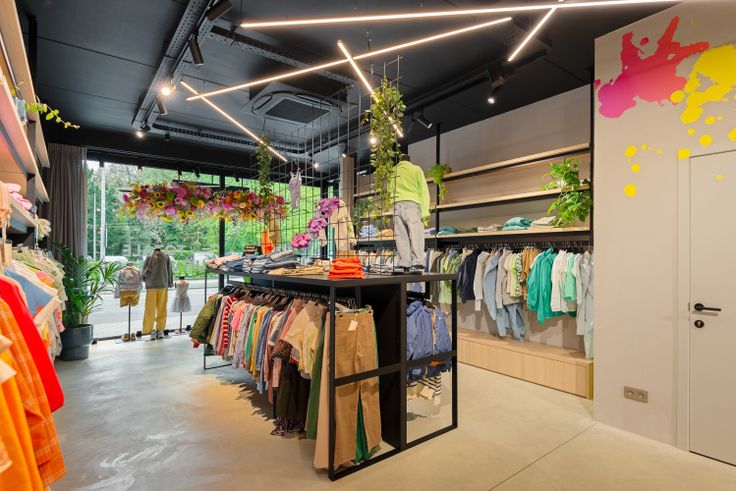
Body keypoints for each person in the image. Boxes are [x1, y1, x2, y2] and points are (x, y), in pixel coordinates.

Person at [141, 248, 173, 340]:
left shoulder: (149, 257)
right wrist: (170, 283)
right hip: (163, 285)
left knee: (149, 309)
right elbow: (170, 271)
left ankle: (150, 330)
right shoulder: (166, 257)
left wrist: (144, 279)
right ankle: (160, 330)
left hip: (151, 286)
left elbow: (143, 273)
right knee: (162, 309)